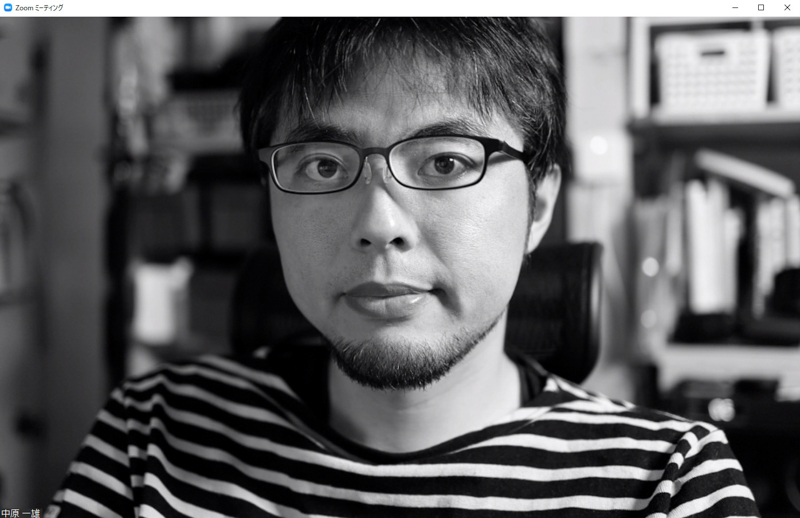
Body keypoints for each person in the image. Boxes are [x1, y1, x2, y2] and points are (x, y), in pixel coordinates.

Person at [48, 18, 760, 517]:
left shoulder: (666, 481)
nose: (379, 224)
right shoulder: (151, 433)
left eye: (446, 161)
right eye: (323, 164)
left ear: (539, 206)